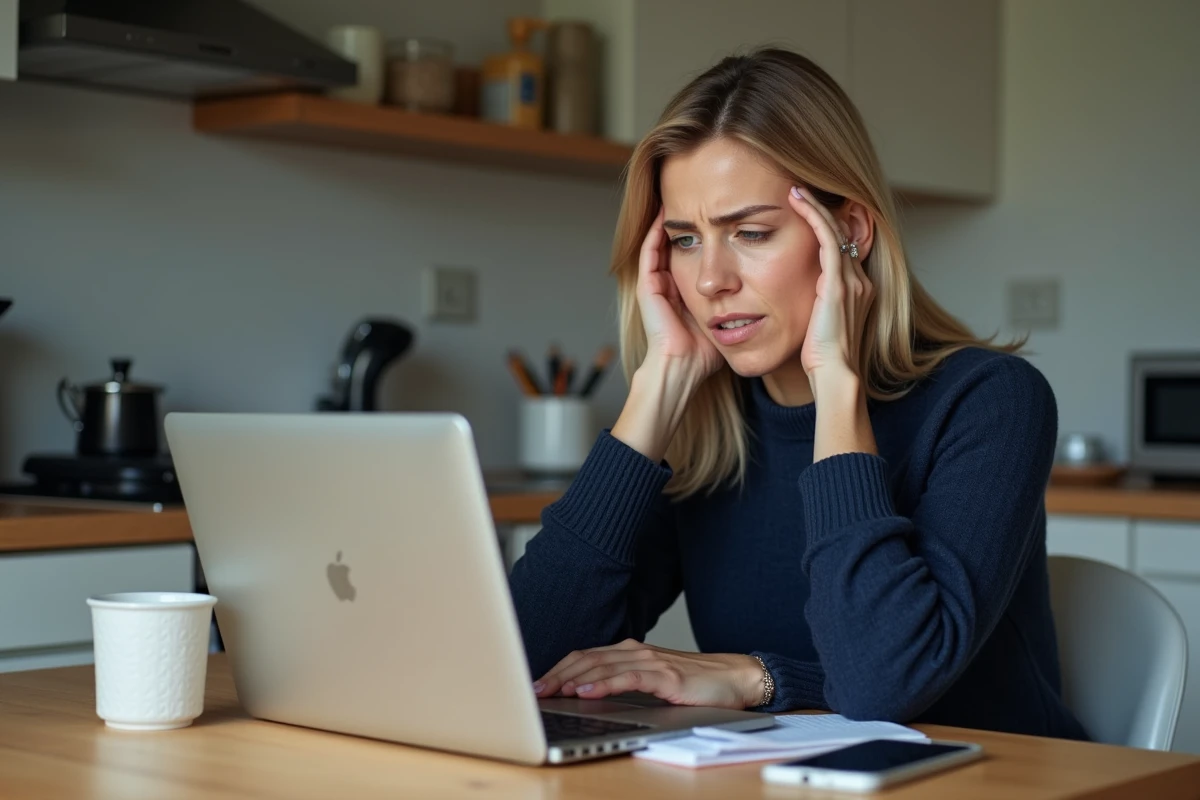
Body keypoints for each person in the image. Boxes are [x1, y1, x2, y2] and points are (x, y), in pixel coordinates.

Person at [508, 48, 1087, 740]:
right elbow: (525, 663)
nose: (712, 279)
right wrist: (657, 389)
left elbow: (885, 683)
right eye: (686, 240)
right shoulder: (710, 429)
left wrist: (834, 386)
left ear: (848, 233)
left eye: (750, 233)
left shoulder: (991, 402)